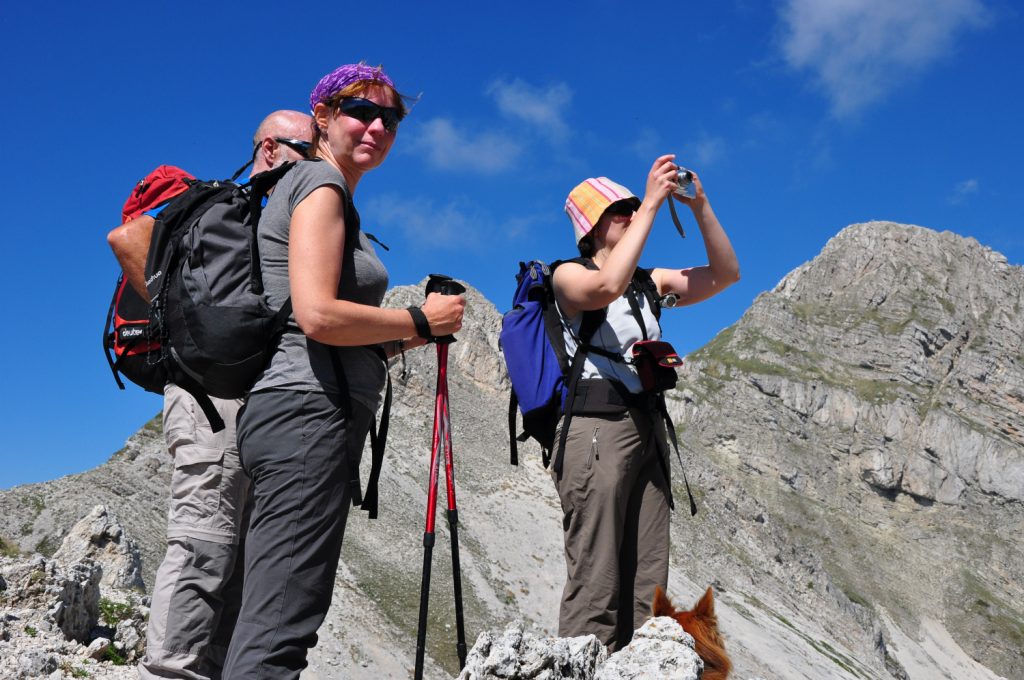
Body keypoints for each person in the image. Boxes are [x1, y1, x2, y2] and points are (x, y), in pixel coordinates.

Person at [221, 64, 466, 678]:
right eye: (361, 111)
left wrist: (414, 334)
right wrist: (419, 316)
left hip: (300, 409)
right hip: (309, 413)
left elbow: (324, 328)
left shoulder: (324, 191)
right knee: (283, 620)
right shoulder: (320, 183)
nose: (377, 127)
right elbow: (318, 316)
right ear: (323, 117)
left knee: (277, 608)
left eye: (391, 119)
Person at [106, 110, 312, 680]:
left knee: (241, 555)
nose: (316, 161)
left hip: (250, 403)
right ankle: (172, 671)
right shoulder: (227, 207)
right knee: (205, 542)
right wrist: (184, 324)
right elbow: (127, 237)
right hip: (209, 401)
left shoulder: (271, 217)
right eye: (306, 149)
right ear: (269, 149)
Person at [552, 157, 739, 651]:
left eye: (635, 206)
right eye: (621, 210)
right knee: (596, 577)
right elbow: (604, 287)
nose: (633, 214)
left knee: (647, 583)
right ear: (592, 227)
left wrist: (700, 206)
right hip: (596, 428)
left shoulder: (649, 283)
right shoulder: (567, 276)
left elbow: (726, 274)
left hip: (647, 429)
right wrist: (653, 203)